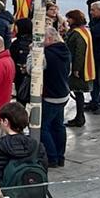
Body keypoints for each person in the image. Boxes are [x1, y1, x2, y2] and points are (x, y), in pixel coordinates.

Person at [40, 26, 71, 167]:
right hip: (63, 94)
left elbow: (31, 68)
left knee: (43, 127)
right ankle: (60, 156)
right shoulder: (64, 50)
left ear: (49, 39)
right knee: (58, 126)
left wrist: (32, 52)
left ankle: (52, 157)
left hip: (51, 95)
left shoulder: (46, 54)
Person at [64, 9, 94, 127]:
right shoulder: (84, 31)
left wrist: (76, 69)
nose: (67, 20)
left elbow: (79, 52)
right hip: (82, 67)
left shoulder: (78, 33)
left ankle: (79, 117)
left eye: (69, 18)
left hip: (79, 68)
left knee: (78, 92)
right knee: (78, 93)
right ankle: (79, 116)